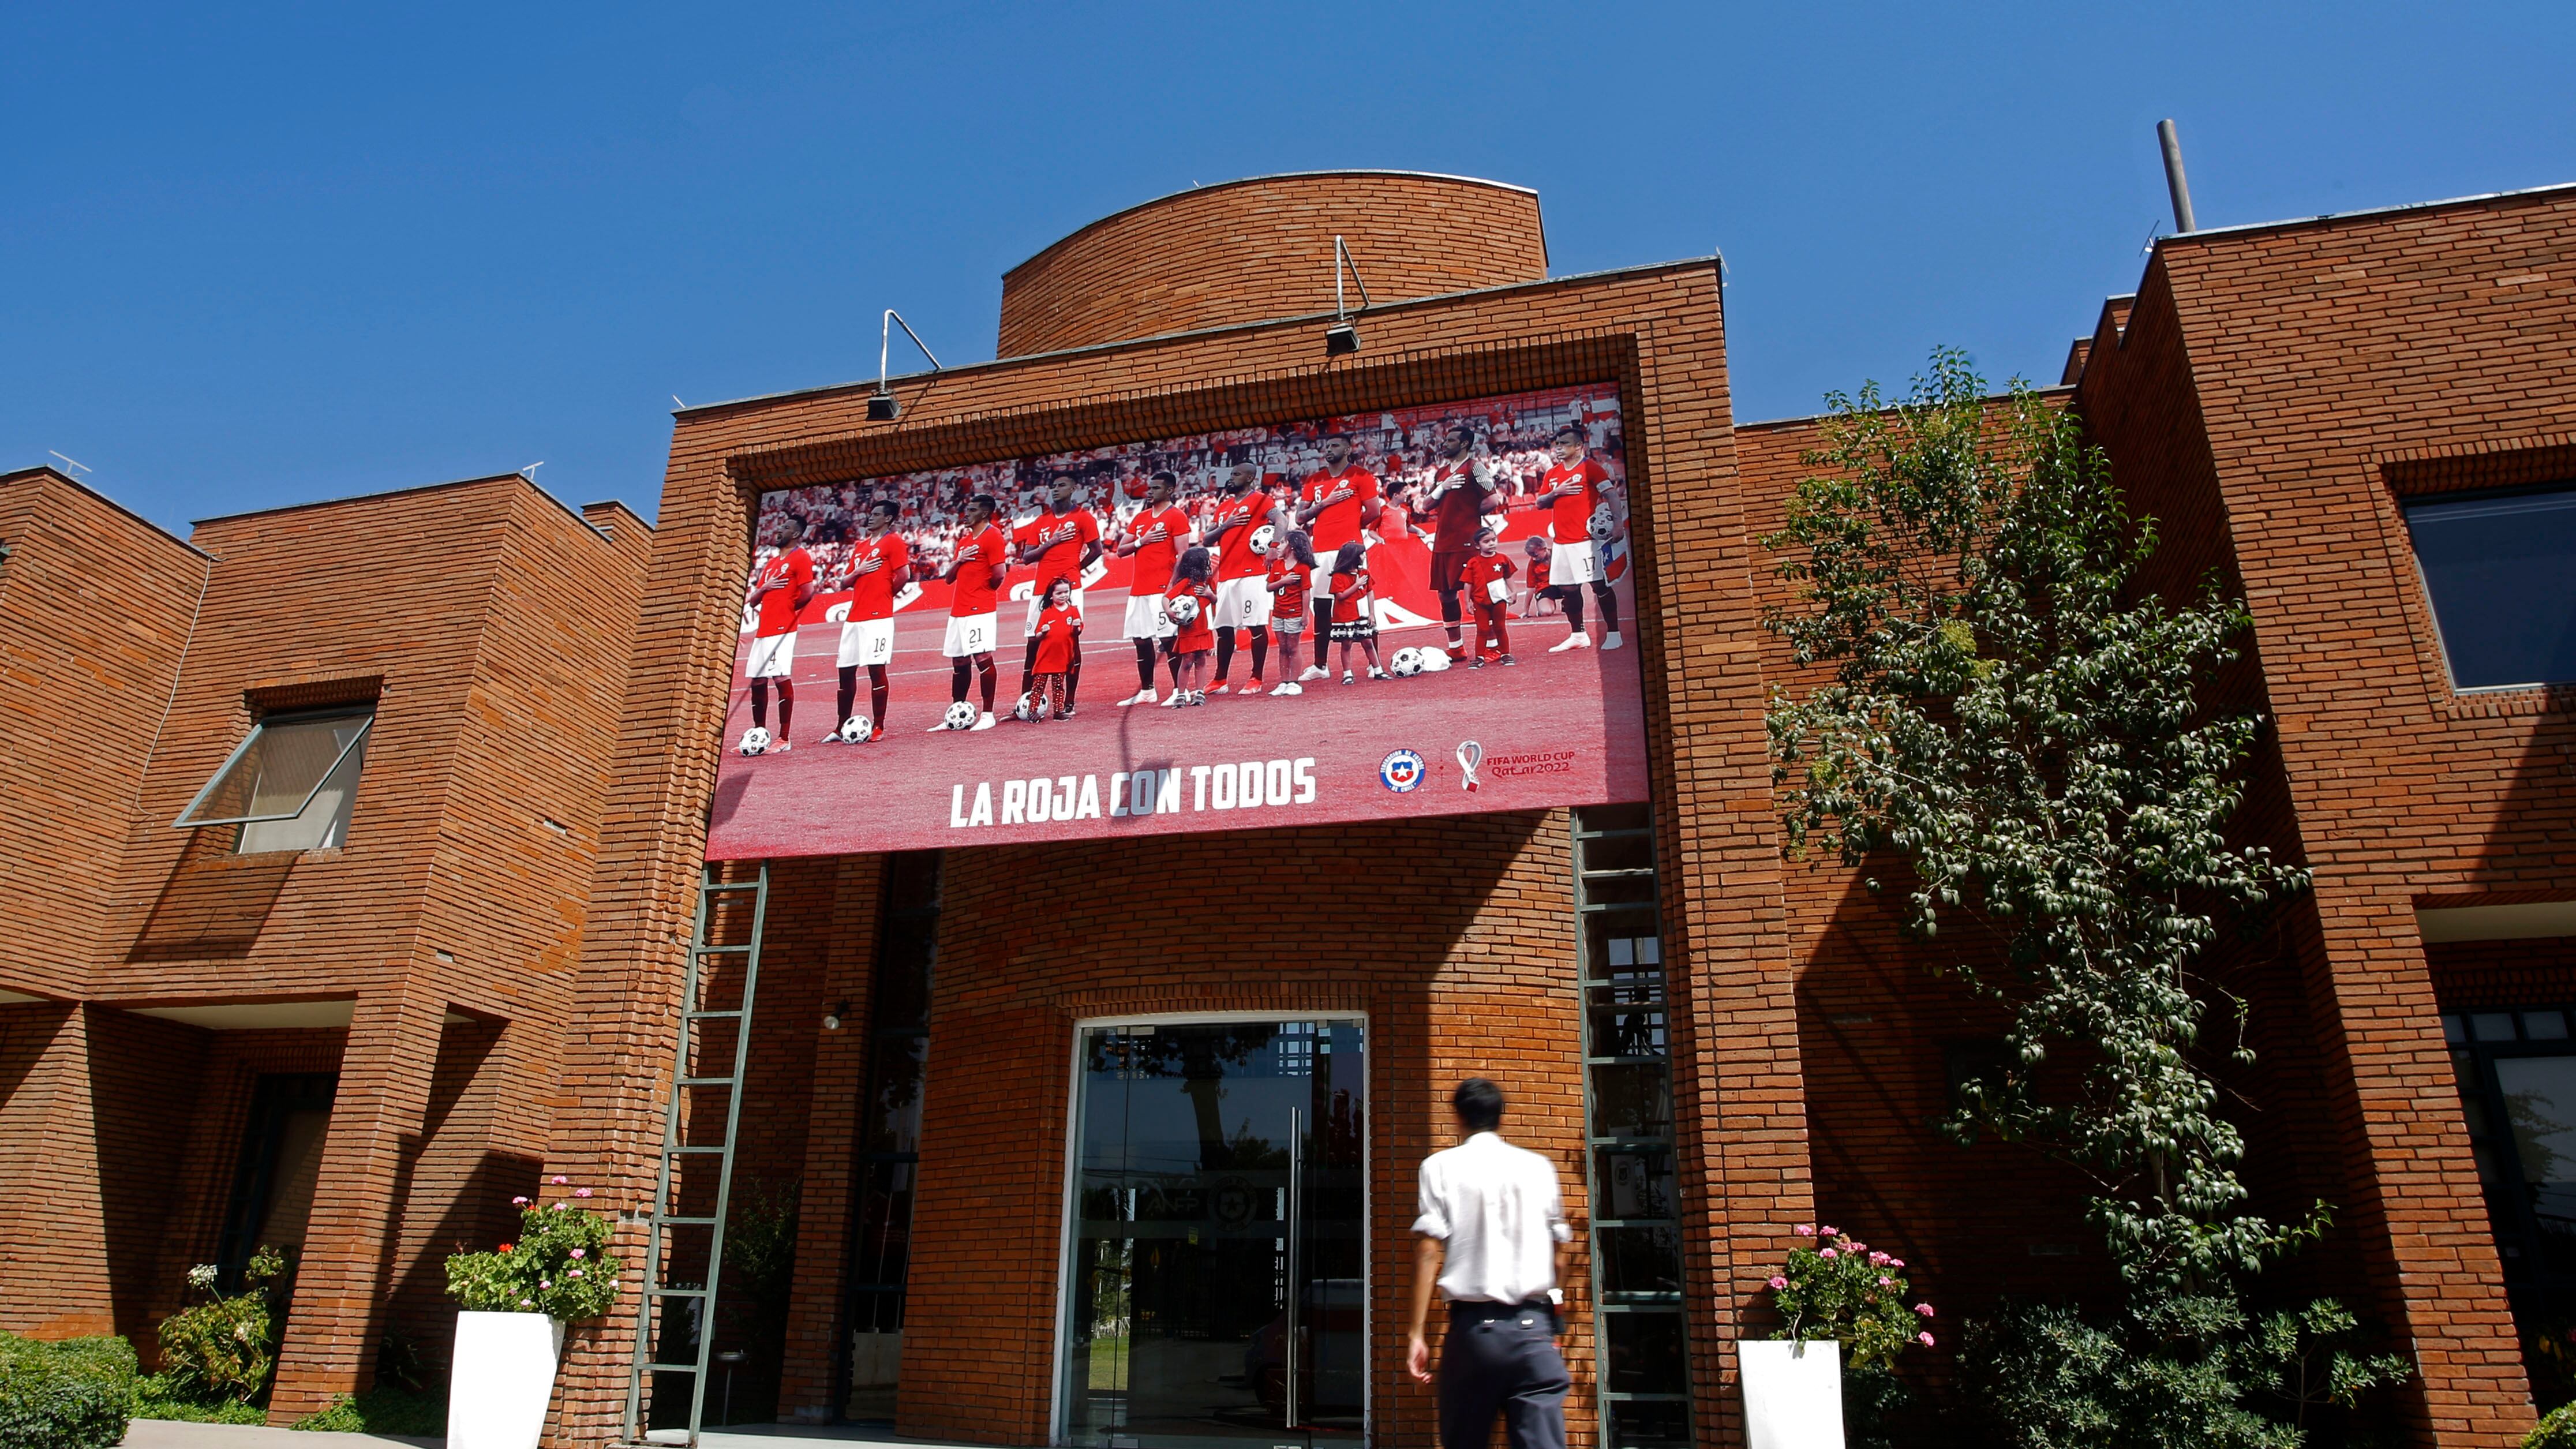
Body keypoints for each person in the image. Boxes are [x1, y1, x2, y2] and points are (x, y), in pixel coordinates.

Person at [1407, 1079, 1572, 1449]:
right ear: (1502, 1116)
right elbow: (1561, 1254)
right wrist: (1555, 1323)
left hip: (1474, 1335)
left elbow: (1429, 1252)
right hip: (1535, 1333)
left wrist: (1416, 1333)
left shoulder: (1439, 1167)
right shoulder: (1539, 1168)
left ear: (1458, 1118)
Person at [1527, 424, 1621, 652]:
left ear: (1579, 446)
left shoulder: (1591, 468)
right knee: (1569, 590)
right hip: (1561, 543)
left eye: (1565, 444)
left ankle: (1614, 633)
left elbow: (1611, 495)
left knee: (1600, 586)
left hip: (1587, 541)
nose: (1559, 448)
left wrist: (1618, 523)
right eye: (1557, 444)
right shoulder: (1552, 474)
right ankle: (1579, 634)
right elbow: (1540, 503)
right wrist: (1556, 493)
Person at [1017, 472, 1103, 718]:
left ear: (1074, 488)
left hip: (1070, 589)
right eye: (1053, 486)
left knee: (1070, 642)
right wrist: (1051, 542)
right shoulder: (1041, 521)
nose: (1056, 489)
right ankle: (1025, 702)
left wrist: (1076, 569)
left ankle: (1069, 702)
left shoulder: (1083, 517)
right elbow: (1027, 557)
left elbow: (1097, 550)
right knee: (1033, 643)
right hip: (1041, 590)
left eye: (1062, 485)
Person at [1296, 433, 1380, 678]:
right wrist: (1326, 504)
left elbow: (1374, 511)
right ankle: (1321, 666)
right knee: (1322, 606)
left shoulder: (1362, 475)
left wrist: (1352, 525)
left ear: (1348, 449)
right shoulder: (1315, 480)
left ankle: (1372, 664)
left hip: (1350, 548)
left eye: (1334, 445)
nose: (1328, 449)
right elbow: (1300, 517)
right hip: (1320, 549)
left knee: (1360, 602)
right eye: (1327, 445)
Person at [829, 498, 907, 742]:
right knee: (846, 672)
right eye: (870, 514)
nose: (870, 518)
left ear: (888, 519)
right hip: (854, 618)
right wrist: (859, 571)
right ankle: (840, 727)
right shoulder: (861, 546)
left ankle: (878, 726)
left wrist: (885, 596)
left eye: (876, 514)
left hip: (878, 617)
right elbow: (844, 582)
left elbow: (904, 575)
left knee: (876, 669)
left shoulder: (893, 541)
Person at [1424, 424, 1504, 663]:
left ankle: (1491, 646)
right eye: (1445, 440)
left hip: (1467, 541)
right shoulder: (1441, 473)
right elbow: (1426, 506)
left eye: (1450, 441)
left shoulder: (1474, 467)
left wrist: (1468, 516)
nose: (1445, 444)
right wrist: (1442, 488)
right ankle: (1456, 648)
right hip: (1443, 542)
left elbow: (1492, 499)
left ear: (1465, 444)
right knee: (1445, 595)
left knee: (1480, 594)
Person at [741, 515, 815, 754]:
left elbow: (807, 592)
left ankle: (784, 738)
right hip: (764, 629)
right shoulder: (772, 564)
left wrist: (786, 611)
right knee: (758, 680)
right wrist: (764, 588)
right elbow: (753, 601)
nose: (779, 531)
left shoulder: (801, 557)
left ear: (795, 534)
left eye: (785, 528)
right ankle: (758, 733)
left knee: (780, 677)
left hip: (782, 628)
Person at [1205, 457, 1279, 697]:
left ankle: (1256, 677)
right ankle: (1220, 679)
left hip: (1253, 574)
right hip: (1226, 575)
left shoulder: (1260, 500)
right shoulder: (1224, 507)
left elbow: (1282, 520)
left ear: (1249, 478)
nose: (1231, 478)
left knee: (1255, 626)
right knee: (1224, 629)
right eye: (1232, 474)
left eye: (1237, 474)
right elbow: (1207, 539)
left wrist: (1274, 546)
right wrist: (1225, 526)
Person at [1116, 471, 1191, 706]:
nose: (1150, 492)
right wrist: (1142, 541)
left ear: (1169, 490)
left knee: (1168, 639)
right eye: (1149, 488)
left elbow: (1183, 555)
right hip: (1139, 587)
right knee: (1140, 639)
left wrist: (1172, 586)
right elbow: (1121, 550)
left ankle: (1181, 691)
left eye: (1155, 488)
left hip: (1162, 587)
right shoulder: (1141, 518)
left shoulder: (1176, 516)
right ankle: (1147, 690)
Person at [933, 495, 1005, 732]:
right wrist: (959, 560)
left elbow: (999, 574)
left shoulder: (993, 535)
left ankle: (987, 714)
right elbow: (948, 579)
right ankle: (956, 712)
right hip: (959, 609)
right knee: (960, 661)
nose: (966, 513)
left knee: (982, 657)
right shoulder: (963, 541)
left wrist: (983, 593)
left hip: (979, 608)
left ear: (984, 514)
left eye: (972, 509)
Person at [1162, 546, 1218, 706]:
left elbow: (1215, 600)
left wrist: (1209, 594)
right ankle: (1180, 694)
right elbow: (1167, 598)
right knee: (1187, 661)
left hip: (1203, 629)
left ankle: (1200, 692)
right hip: (1188, 631)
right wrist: (1169, 612)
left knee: (1201, 659)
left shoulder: (1207, 582)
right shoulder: (1186, 583)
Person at [1325, 540, 1385, 684]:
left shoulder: (1365, 573)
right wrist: (1357, 585)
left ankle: (1378, 670)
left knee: (1368, 642)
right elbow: (1340, 596)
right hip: (1345, 615)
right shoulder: (1338, 576)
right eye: (1361, 554)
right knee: (1347, 644)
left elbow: (1370, 593)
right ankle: (1347, 674)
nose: (1364, 557)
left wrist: (1372, 613)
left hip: (1362, 614)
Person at [1265, 528, 1316, 697]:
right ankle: (1284, 681)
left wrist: (1304, 615)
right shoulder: (1277, 565)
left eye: (1282, 543)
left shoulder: (1303, 568)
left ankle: (1294, 682)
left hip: (1294, 612)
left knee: (1293, 647)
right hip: (1279, 612)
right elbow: (1269, 587)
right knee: (1282, 648)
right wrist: (1283, 581)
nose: (1278, 547)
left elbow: (1306, 592)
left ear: (1292, 547)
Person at [1027, 576, 1082, 720]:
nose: (1064, 595)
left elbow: (1077, 633)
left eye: (1066, 592)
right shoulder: (1047, 613)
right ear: (1051, 596)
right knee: (1038, 685)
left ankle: (1059, 711)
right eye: (1059, 593)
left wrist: (1076, 626)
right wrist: (1043, 631)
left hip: (1062, 655)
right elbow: (1038, 635)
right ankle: (1032, 711)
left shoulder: (1073, 611)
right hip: (1046, 655)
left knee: (1059, 686)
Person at [1462, 527, 1517, 667]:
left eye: (1494, 540)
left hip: (1499, 600)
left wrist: (1513, 591)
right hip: (1480, 601)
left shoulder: (1503, 559)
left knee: (1500, 627)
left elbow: (1508, 576)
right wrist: (1467, 601)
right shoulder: (1473, 563)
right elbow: (1468, 583)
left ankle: (1506, 654)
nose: (1491, 543)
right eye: (1487, 542)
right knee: (1482, 630)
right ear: (1478, 545)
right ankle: (1479, 657)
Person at [1518, 536, 1558, 620]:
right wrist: (1526, 611)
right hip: (1545, 588)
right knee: (1546, 612)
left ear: (1544, 549)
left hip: (1561, 584)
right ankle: (1542, 607)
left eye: (1536, 555)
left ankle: (1567, 602)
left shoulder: (1558, 555)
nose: (1534, 558)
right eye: (1531, 556)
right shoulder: (1533, 564)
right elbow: (1530, 589)